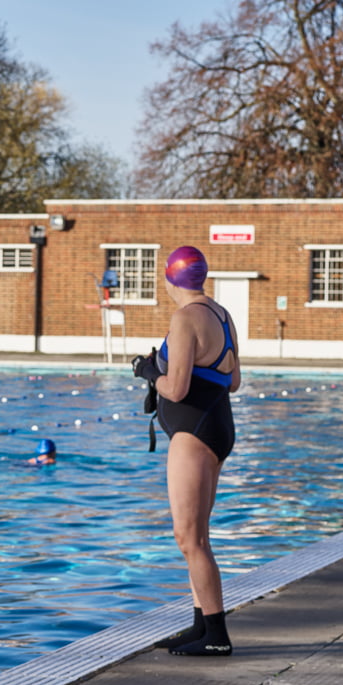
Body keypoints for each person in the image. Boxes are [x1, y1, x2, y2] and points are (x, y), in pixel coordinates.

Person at [132, 245, 240, 656]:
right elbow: (232, 381)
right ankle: (201, 626)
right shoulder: (221, 314)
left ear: (170, 278)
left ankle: (216, 636)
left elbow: (175, 388)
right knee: (197, 537)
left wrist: (147, 371)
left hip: (193, 434)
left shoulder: (184, 318)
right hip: (215, 426)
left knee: (188, 537)